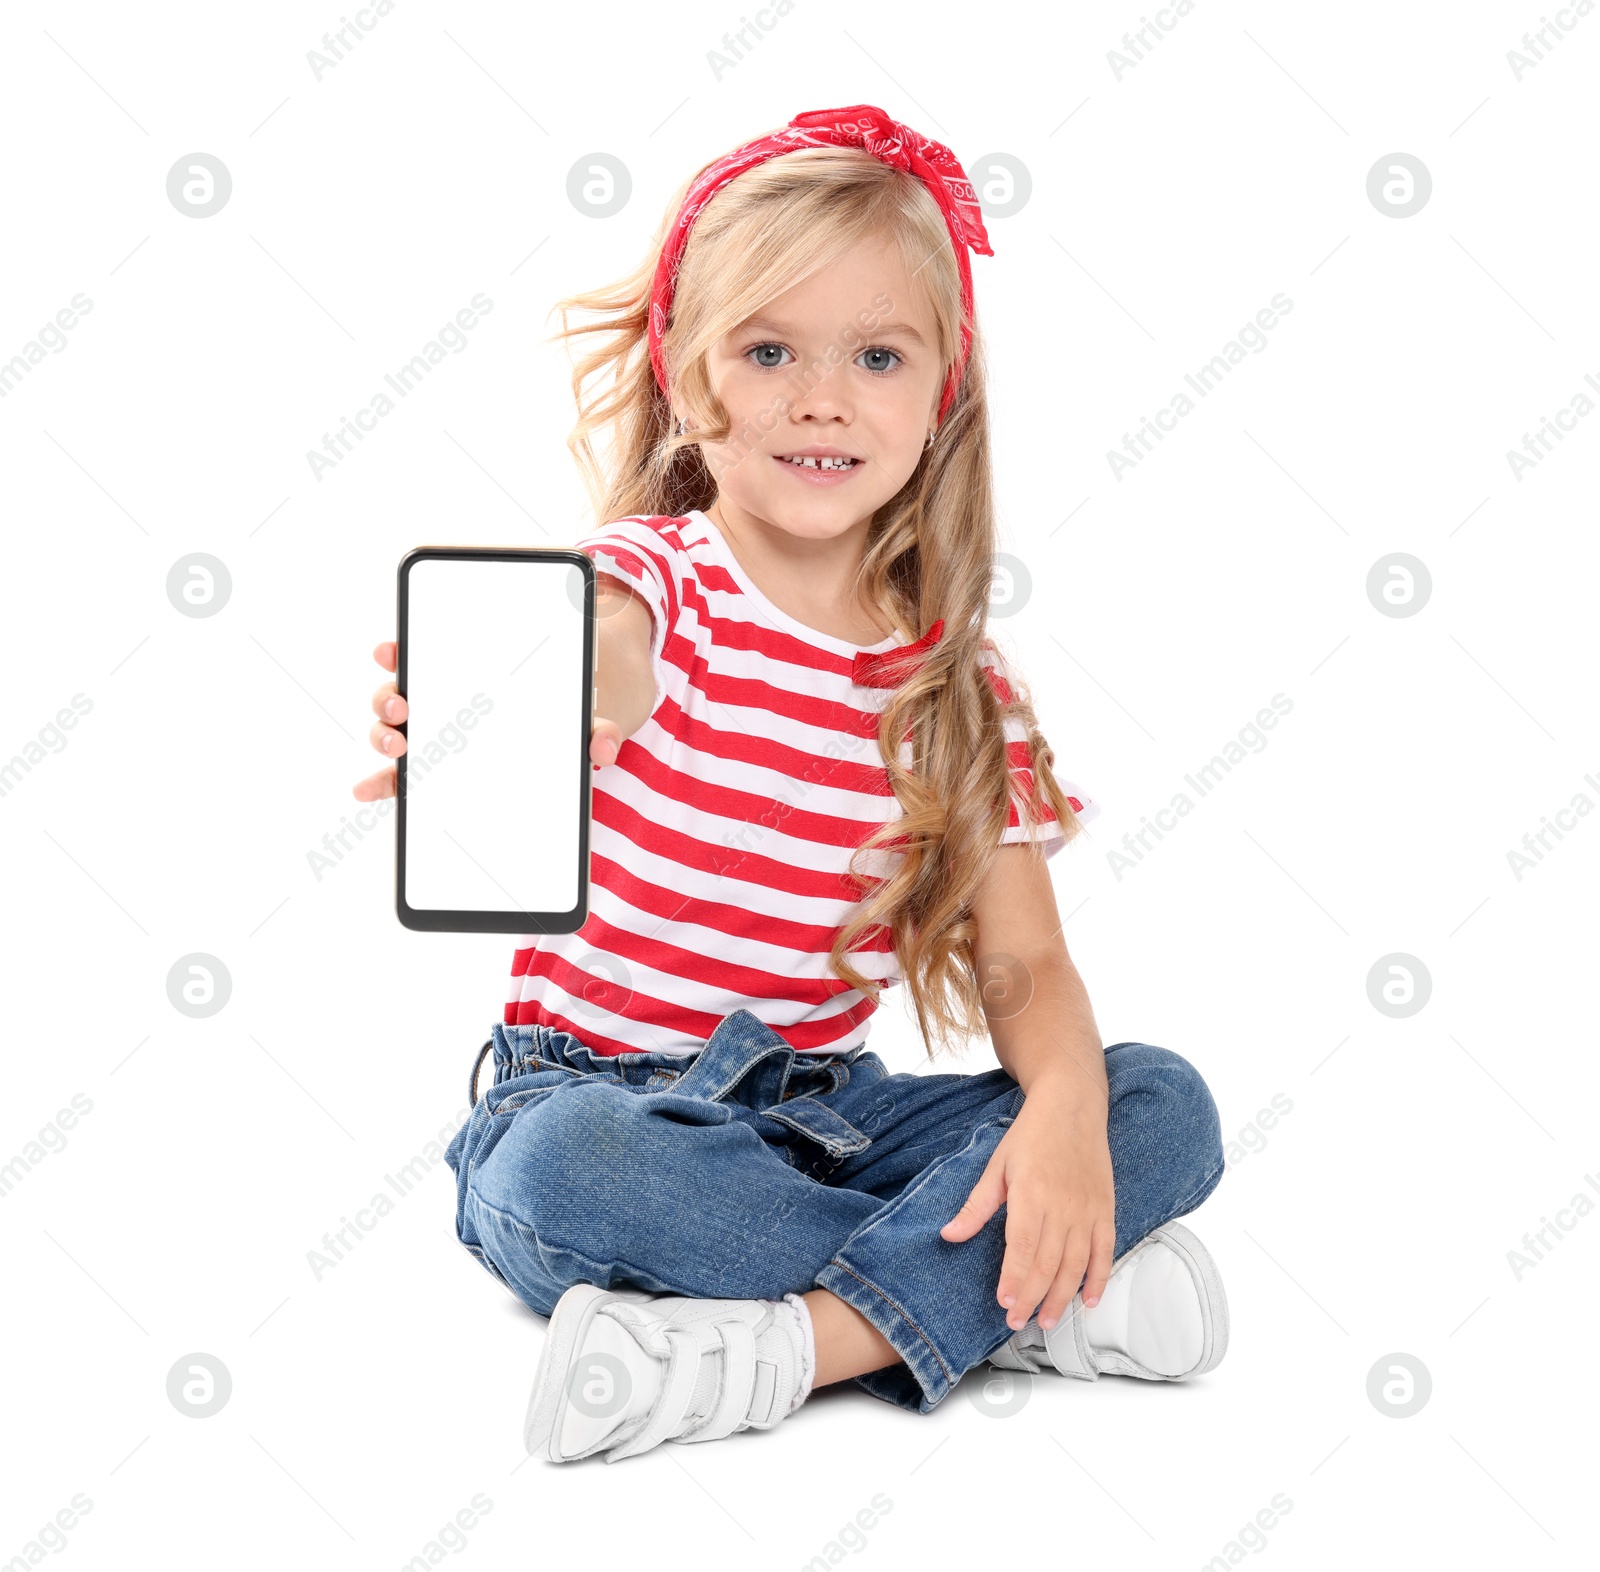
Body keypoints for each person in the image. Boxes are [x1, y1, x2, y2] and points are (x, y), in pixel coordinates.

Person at [354, 103, 1228, 1466]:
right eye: (768, 353)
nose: (822, 398)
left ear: (941, 388)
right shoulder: (659, 583)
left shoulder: (958, 686)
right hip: (597, 1098)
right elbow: (609, 641)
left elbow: (1029, 969)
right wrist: (558, 692)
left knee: (1156, 1101)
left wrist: (1060, 1113)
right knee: (561, 1174)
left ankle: (791, 1348)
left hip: (825, 1114)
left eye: (876, 355)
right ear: (695, 382)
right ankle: (1029, 1299)